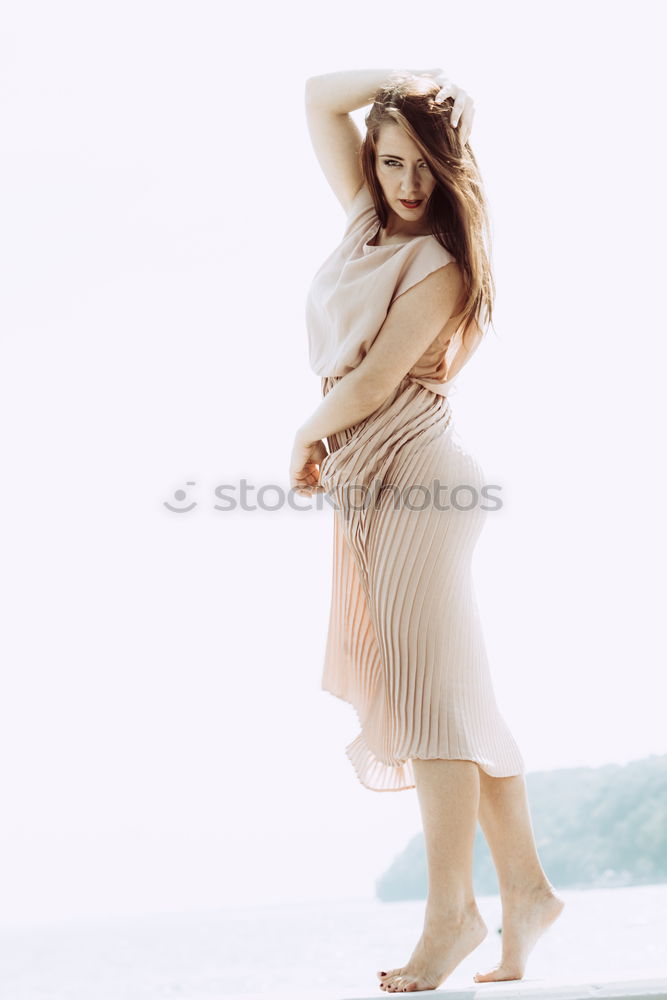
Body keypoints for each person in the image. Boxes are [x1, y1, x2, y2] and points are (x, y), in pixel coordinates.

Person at [289, 68, 565, 994]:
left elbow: (370, 387)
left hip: (415, 481)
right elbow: (320, 98)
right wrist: (399, 83)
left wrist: (302, 432)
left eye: (425, 166)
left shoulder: (441, 259)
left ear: (452, 169)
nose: (407, 184)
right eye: (392, 160)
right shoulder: (366, 222)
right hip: (378, 485)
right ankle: (525, 894)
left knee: (429, 705)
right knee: (456, 701)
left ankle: (452, 916)